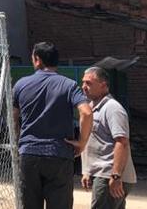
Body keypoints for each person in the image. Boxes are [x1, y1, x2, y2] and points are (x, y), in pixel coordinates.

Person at [13, 42, 94, 209]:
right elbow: (86, 112)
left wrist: (18, 141)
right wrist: (81, 143)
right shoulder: (68, 85)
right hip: (59, 153)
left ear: (37, 60)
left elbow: (13, 118)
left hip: (29, 153)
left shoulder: (21, 84)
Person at [80, 66, 136, 209]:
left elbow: (122, 142)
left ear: (103, 85)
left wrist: (116, 176)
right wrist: (87, 171)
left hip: (109, 174)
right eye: (83, 82)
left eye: (89, 83)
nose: (84, 87)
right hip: (102, 173)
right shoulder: (92, 107)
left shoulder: (113, 109)